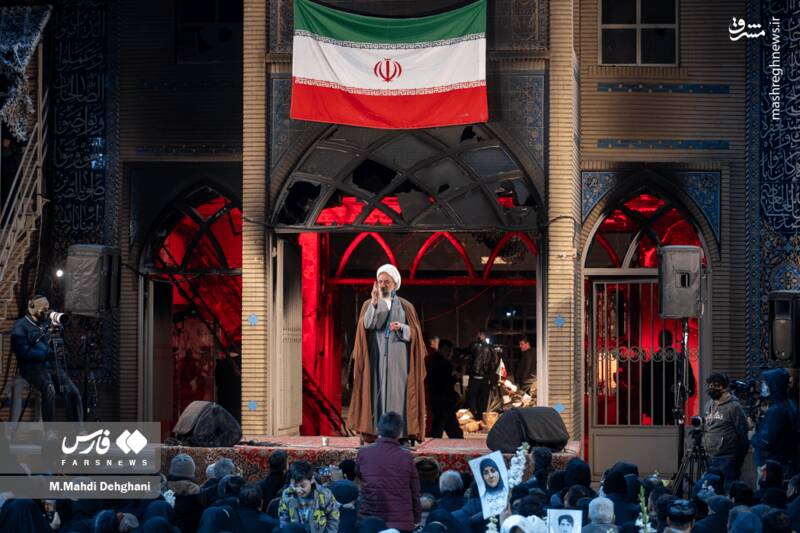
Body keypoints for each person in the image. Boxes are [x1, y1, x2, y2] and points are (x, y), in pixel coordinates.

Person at [349, 265, 427, 441]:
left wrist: (402, 328)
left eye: (387, 282)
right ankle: (377, 432)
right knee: (376, 393)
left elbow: (416, 334)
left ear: (395, 284)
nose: (383, 285)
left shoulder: (406, 306)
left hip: (399, 361)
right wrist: (375, 303)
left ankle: (400, 434)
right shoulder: (369, 304)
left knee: (398, 395)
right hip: (376, 359)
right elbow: (367, 325)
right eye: (380, 281)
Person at [10, 294, 83, 422]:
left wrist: (55, 329)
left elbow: (55, 343)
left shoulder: (47, 324)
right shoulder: (20, 326)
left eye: (47, 309)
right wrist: (43, 354)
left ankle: (79, 429)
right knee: (50, 390)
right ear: (32, 308)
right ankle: (50, 430)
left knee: (73, 392)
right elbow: (22, 352)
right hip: (31, 367)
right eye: (43, 310)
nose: (46, 313)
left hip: (52, 366)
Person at [356, 411, 421, 532]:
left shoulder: (364, 453)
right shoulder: (406, 456)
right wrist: (416, 518)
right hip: (401, 523)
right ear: (399, 432)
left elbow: (360, 478)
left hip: (370, 522)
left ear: (377, 429)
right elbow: (415, 492)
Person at [700, 372, 749, 485]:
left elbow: (743, 433)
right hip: (710, 457)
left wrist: (739, 459)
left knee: (727, 487)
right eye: (710, 385)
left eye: (715, 385)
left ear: (724, 388)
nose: (712, 388)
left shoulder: (734, 407)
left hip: (727, 458)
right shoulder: (709, 404)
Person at [751, 368, 798, 475]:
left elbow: (765, 442)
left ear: (774, 385)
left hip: (771, 465)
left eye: (766, 383)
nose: (763, 386)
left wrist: (753, 437)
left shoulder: (776, 410)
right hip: (783, 461)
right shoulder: (789, 404)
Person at [278, 461, 339, 533]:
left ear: (312, 480)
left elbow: (333, 519)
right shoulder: (287, 494)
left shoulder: (325, 494)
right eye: (295, 486)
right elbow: (284, 519)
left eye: (303, 486)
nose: (298, 490)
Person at [426, 339, 463, 439]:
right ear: (440, 349)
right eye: (446, 350)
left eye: (450, 351)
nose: (448, 353)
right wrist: (455, 378)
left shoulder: (434, 361)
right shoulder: (442, 363)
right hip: (443, 401)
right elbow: (445, 383)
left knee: (449, 429)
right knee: (441, 430)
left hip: (440, 401)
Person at [466, 330, 497, 421]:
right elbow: (494, 362)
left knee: (472, 397)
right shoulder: (491, 347)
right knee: (483, 399)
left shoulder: (474, 345)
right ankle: (481, 418)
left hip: (475, 376)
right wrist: (491, 376)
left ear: (480, 335)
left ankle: (473, 416)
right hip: (485, 377)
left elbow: (468, 357)